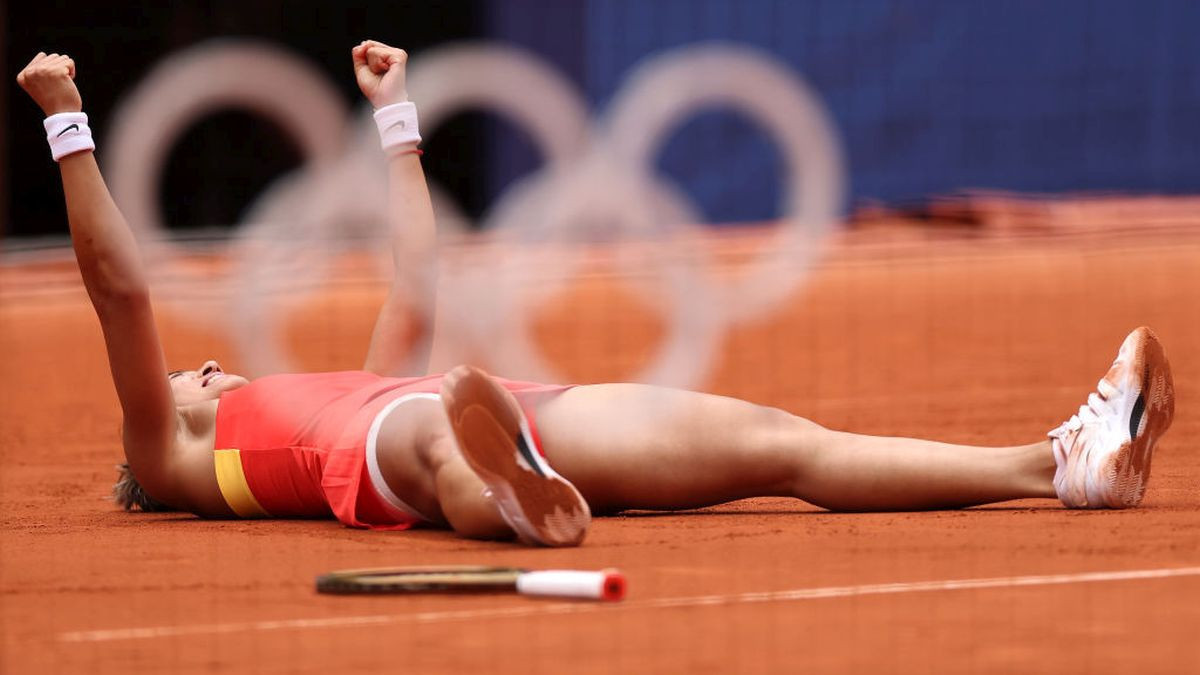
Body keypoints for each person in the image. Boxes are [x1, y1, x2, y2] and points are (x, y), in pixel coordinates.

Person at [15, 42, 1176, 548]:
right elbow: (122, 297)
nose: (205, 364)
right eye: (189, 373)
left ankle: (1059, 465)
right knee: (432, 434)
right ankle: (506, 495)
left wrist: (396, 118)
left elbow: (416, 279)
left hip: (519, 409)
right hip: (398, 454)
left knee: (778, 443)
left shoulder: (350, 380)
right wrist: (68, 124)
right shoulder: (174, 458)